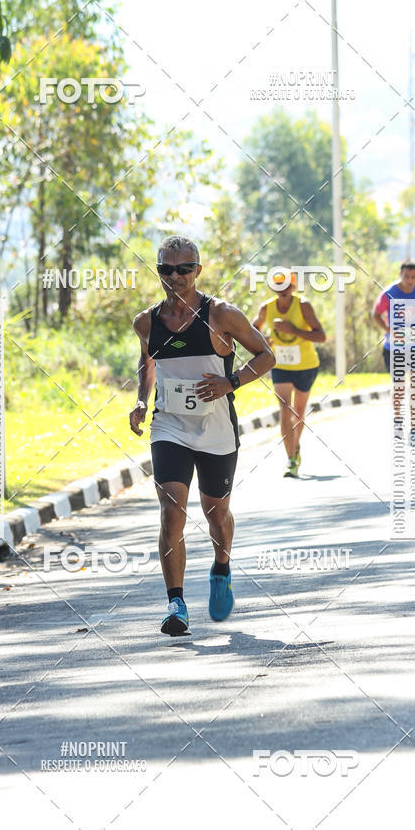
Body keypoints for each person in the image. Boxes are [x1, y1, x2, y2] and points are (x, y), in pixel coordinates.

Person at [129, 236, 275, 636]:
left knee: (216, 513)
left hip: (216, 431)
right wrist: (142, 401)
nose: (174, 276)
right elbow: (147, 363)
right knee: (172, 507)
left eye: (183, 269)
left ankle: (221, 567)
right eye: (165, 269)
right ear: (158, 271)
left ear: (198, 270)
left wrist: (232, 382)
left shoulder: (222, 314)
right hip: (169, 426)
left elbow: (266, 355)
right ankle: (176, 604)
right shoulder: (146, 321)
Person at [253, 272, 326, 478]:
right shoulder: (267, 308)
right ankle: (291, 460)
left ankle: (294, 447)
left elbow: (321, 336)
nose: (282, 290)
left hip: (306, 365)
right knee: (284, 410)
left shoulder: (303, 305)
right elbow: (251, 330)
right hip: (281, 365)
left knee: (298, 414)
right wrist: (263, 340)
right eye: (278, 286)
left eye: (286, 286)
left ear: (293, 287)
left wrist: (293, 330)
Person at [371, 259, 415, 444]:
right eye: (406, 276)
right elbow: (375, 314)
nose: (409, 280)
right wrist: (390, 330)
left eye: (413, 277)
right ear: (400, 274)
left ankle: (414, 428)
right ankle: (398, 420)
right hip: (394, 348)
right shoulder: (389, 293)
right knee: (399, 387)